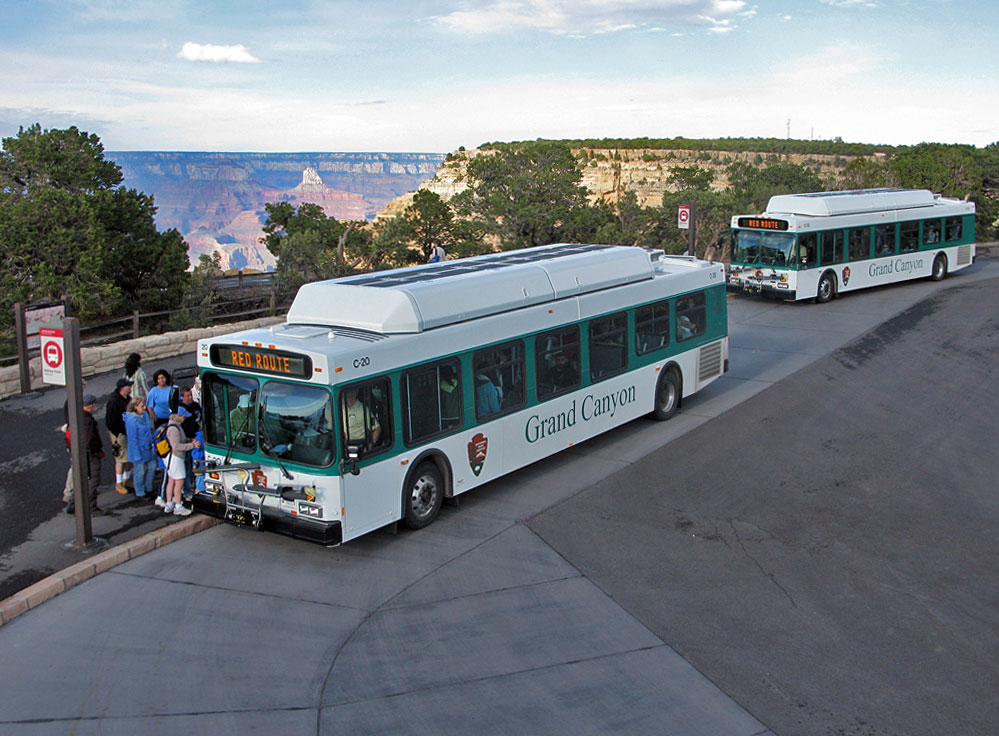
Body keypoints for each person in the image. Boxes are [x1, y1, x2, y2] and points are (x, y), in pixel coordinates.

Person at [65, 394, 104, 515]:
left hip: (79, 454)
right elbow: (89, 440)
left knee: (80, 480)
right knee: (92, 481)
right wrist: (96, 449)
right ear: (90, 405)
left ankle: (73, 503)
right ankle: (91, 507)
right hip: (90, 455)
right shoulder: (88, 421)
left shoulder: (77, 417)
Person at [160, 413, 199, 516]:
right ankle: (178, 506)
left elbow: (181, 440)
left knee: (171, 479)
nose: (184, 418)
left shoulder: (175, 426)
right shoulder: (174, 429)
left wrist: (190, 440)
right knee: (179, 482)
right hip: (176, 458)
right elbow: (176, 446)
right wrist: (192, 445)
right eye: (183, 416)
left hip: (172, 458)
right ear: (177, 416)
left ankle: (169, 504)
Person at [123, 397, 156, 499]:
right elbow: (133, 439)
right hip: (139, 450)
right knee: (140, 472)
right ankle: (140, 492)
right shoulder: (132, 421)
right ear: (135, 407)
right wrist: (137, 454)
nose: (145, 408)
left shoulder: (145, 415)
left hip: (148, 448)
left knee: (152, 468)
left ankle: (148, 488)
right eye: (142, 406)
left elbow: (150, 430)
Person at [105, 378, 133, 493]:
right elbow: (110, 422)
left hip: (127, 431)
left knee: (128, 457)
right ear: (122, 388)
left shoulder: (127, 399)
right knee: (121, 458)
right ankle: (119, 482)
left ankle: (126, 479)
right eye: (128, 387)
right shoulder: (114, 402)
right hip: (120, 433)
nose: (130, 388)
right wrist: (118, 433)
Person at [178, 386, 203, 498]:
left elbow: (201, 419)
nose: (190, 398)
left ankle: (194, 484)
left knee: (197, 464)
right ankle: (187, 490)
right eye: (187, 396)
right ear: (182, 397)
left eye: (191, 395)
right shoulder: (180, 409)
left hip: (197, 438)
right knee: (187, 467)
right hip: (186, 441)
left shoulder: (196, 406)